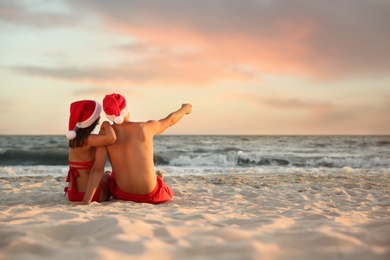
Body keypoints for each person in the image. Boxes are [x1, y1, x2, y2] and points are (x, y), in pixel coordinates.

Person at [102, 93, 192, 204]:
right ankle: (156, 177)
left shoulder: (106, 134)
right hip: (150, 194)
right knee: (158, 180)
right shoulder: (144, 127)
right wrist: (185, 108)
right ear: (126, 110)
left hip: (122, 194)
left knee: (109, 174)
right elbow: (171, 120)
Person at [64, 100, 116, 203]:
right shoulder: (90, 140)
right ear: (93, 119)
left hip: (72, 194)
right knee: (108, 174)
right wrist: (106, 124)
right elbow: (111, 137)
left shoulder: (73, 138)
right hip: (92, 196)